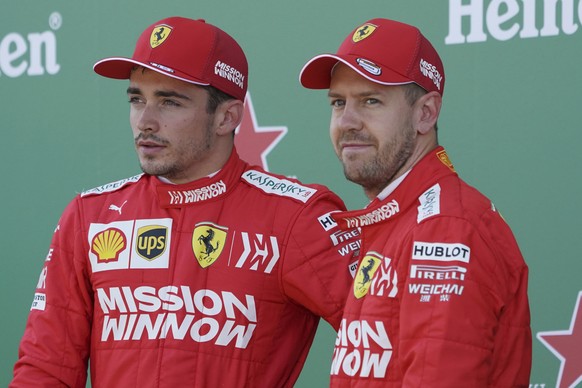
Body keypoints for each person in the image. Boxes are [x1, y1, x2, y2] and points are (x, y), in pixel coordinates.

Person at [11, 16, 359, 387]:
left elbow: (385, 340)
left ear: (226, 117)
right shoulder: (90, 215)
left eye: (169, 103)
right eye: (136, 100)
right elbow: (45, 369)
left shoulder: (295, 216)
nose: (145, 120)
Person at [299, 18, 532, 386]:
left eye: (370, 101)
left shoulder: (445, 229)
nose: (346, 121)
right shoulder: (398, 219)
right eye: (338, 102)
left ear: (425, 113)